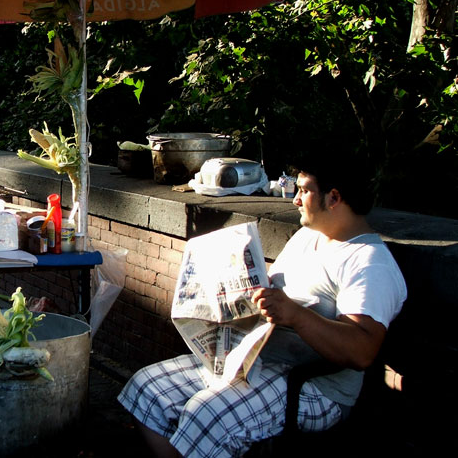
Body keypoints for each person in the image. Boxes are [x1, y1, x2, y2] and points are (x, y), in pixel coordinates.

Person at [118, 150, 407, 457]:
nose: (295, 199)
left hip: (316, 388)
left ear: (333, 197)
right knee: (147, 391)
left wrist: (296, 316)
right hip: (254, 361)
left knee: (206, 416)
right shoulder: (307, 237)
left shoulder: (369, 263)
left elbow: (362, 351)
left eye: (304, 190)